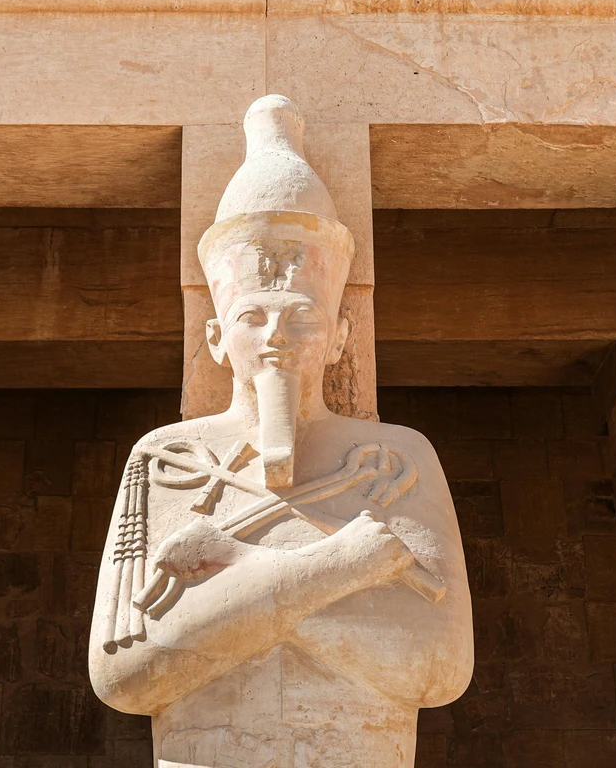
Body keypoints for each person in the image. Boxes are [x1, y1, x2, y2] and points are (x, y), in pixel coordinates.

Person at [89, 95, 473, 768]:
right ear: (216, 337)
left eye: (301, 316)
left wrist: (233, 586)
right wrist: (337, 568)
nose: (277, 337)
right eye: (253, 317)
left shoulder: (396, 458)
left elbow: (437, 666)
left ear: (339, 337)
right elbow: (126, 671)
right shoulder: (167, 458)